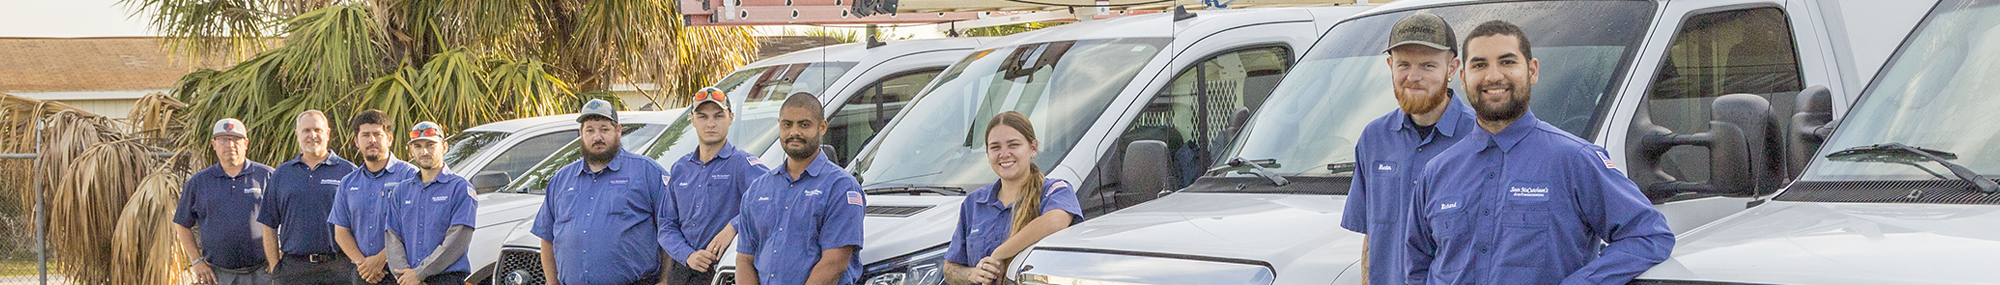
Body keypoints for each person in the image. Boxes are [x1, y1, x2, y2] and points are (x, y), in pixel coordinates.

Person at [1405, 20, 1674, 285]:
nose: (1493, 76)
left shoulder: (1575, 160)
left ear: (1532, 71)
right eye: (1479, 65)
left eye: (1507, 62)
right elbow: (1417, 267)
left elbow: (1648, 235)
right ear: (1464, 79)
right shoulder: (1437, 171)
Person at [1338, 12, 1477, 285]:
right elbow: (1372, 236)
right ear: (1390, 65)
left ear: (1452, 69)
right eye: (1404, 64)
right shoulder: (1374, 138)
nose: (1413, 76)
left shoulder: (1480, 138)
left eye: (1428, 65)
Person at [531, 99, 672, 285]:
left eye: (604, 129)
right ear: (581, 134)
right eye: (590, 130)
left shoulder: (647, 172)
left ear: (618, 130)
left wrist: (666, 280)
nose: (597, 137)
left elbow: (671, 228)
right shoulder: (561, 180)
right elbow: (547, 238)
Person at [733, 93, 865, 285]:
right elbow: (744, 260)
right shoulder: (757, 190)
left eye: (804, 125)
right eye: (787, 124)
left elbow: (834, 264)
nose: (794, 132)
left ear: (822, 127)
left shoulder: (841, 187)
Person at [941, 111, 1083, 285]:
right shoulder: (973, 203)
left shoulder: (1055, 190)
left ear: (1033, 148)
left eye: (1013, 145)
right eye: (995, 147)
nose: (1004, 154)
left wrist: (999, 254)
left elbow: (1056, 221)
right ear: (987, 154)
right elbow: (949, 270)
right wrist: (973, 274)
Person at [659, 87, 770, 285]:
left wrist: (733, 226)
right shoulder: (680, 168)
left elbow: (770, 202)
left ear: (731, 118)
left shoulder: (743, 164)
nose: (710, 124)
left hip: (722, 272)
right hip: (683, 270)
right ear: (692, 119)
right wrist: (688, 254)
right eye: (703, 116)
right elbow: (666, 225)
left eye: (718, 116)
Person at [259, 110, 360, 284]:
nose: (312, 135)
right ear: (297, 135)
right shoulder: (282, 174)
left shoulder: (349, 172)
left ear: (327, 133)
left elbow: (361, 220)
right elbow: (269, 224)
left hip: (339, 268)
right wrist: (276, 268)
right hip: (294, 270)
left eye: (317, 130)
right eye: (306, 130)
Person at [175, 118, 277, 285]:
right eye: (223, 140)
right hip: (218, 275)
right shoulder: (199, 182)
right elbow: (181, 223)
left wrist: (279, 255)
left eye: (236, 139)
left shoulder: (267, 176)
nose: (230, 145)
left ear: (246, 143)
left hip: (263, 273)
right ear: (214, 144)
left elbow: (288, 217)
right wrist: (196, 261)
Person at [381, 122, 477, 285]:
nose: (424, 151)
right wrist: (405, 276)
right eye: (417, 146)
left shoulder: (460, 188)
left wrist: (420, 273)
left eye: (430, 145)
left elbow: (458, 239)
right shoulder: (401, 191)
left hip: (446, 279)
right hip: (407, 279)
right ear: (411, 151)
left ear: (444, 147)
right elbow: (392, 236)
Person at [329, 110, 419, 285]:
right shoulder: (348, 182)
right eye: (365, 135)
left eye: (378, 134)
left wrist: (380, 259)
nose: (372, 140)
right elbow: (341, 231)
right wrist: (364, 265)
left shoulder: (409, 176)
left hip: (402, 274)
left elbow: (416, 226)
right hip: (363, 274)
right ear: (356, 142)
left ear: (389, 139)